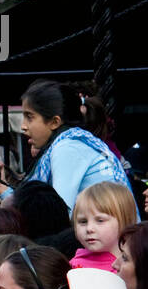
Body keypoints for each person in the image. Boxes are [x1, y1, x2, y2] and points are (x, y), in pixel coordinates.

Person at [20, 79, 131, 209]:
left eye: (29, 117)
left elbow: (60, 214)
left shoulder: (68, 148)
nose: (23, 126)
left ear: (55, 122)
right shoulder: (71, 143)